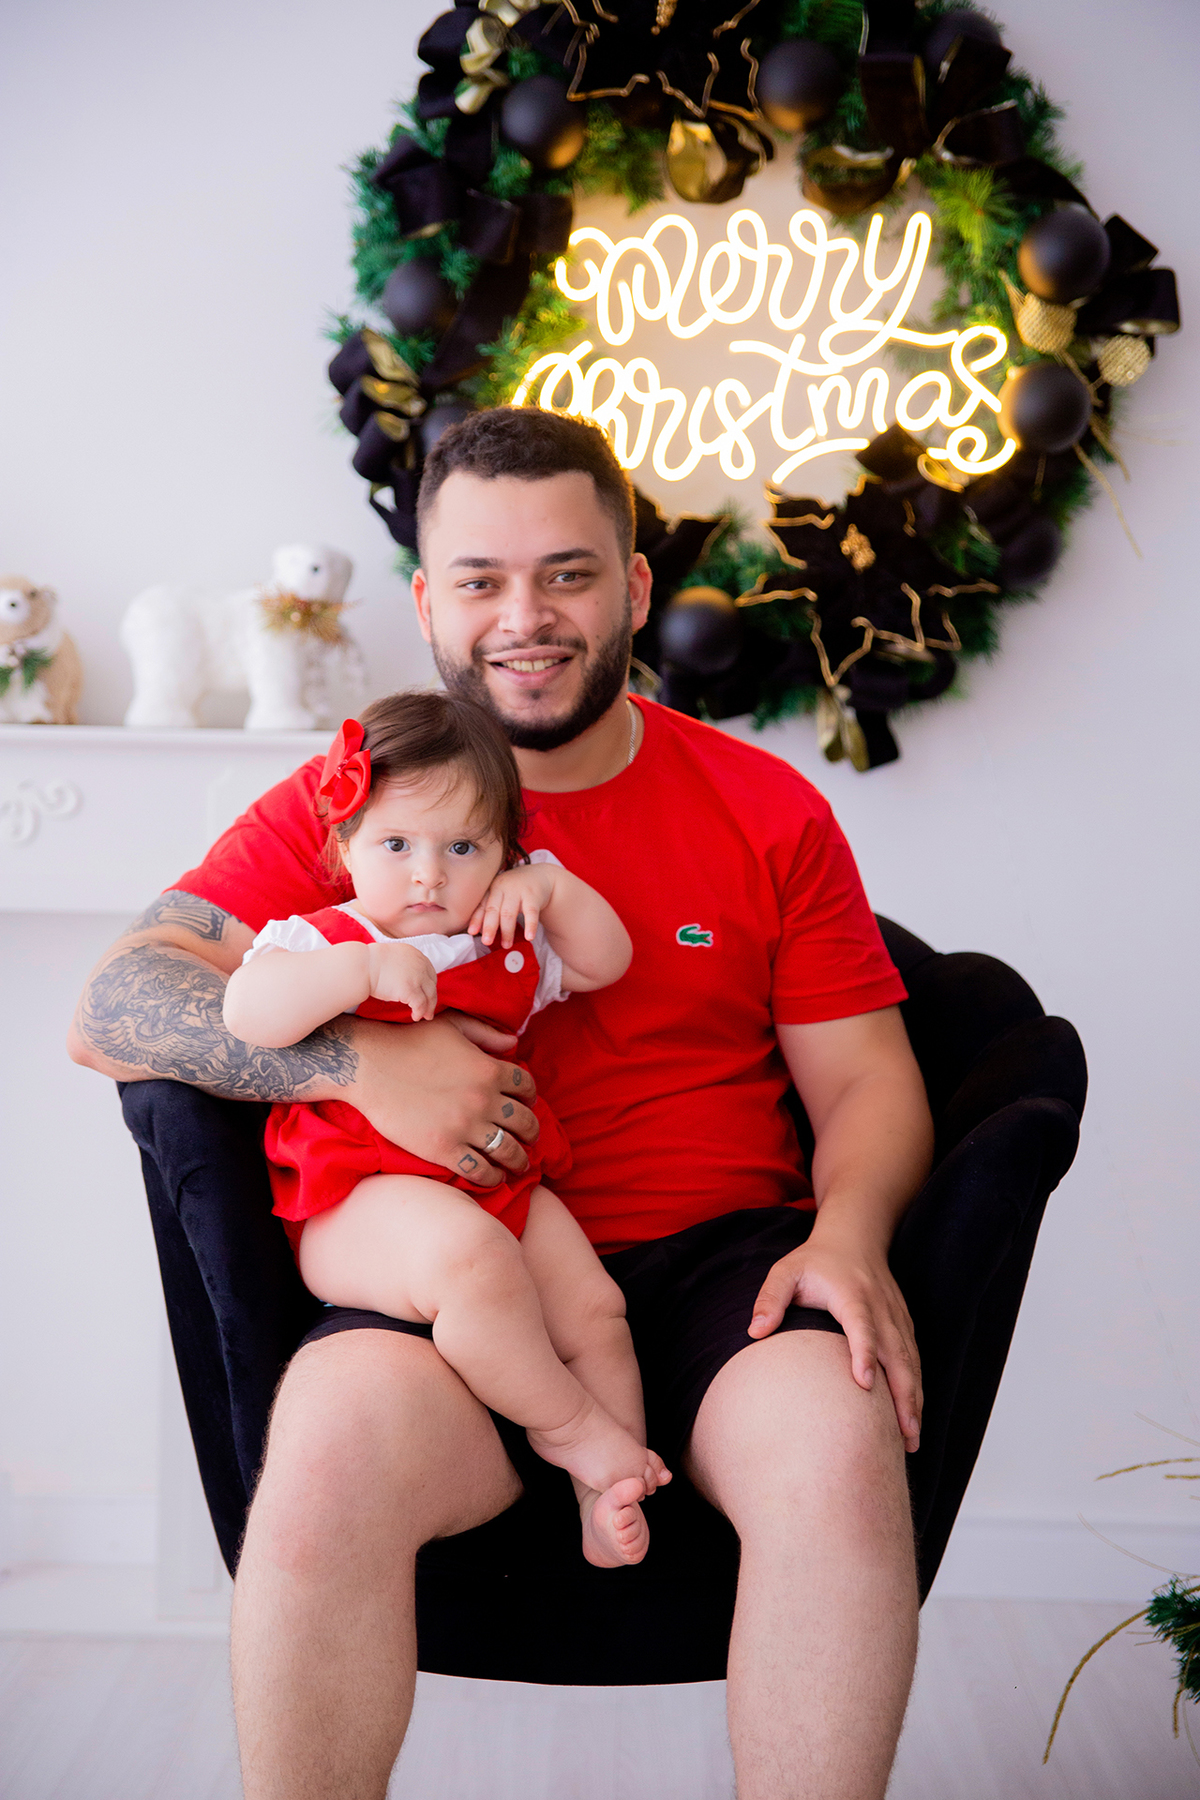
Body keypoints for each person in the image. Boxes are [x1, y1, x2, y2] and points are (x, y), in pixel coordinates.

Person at [70, 405, 934, 1800]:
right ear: (425, 599)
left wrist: (851, 1233)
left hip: (718, 1273)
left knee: (834, 1438)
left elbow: (869, 1077)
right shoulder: (352, 803)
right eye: (478, 579)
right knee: (332, 1435)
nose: (523, 616)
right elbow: (111, 1004)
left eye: (569, 574)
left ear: (635, 587)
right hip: (440, 1273)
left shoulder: (766, 809)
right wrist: (354, 1064)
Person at [223, 688, 669, 1569]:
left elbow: (606, 958)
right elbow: (249, 1013)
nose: (429, 875)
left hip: (494, 1181)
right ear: (345, 846)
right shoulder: (326, 939)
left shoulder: (500, 937)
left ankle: (605, 1488)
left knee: (595, 1308)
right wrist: (359, 969)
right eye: (397, 845)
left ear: (504, 854)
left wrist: (553, 886)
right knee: (476, 1266)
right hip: (356, 1202)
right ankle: (573, 1431)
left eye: (463, 848)